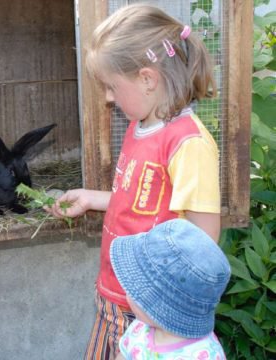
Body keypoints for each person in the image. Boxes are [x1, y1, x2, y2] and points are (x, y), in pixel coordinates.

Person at [45, 4, 221, 359]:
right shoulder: (139, 127)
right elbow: (142, 198)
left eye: (111, 86)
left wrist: (163, 311)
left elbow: (203, 243)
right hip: (115, 292)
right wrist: (93, 199)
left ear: (147, 79)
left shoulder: (187, 144)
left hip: (150, 312)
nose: (108, 98)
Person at [110, 219, 230, 359]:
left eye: (135, 287)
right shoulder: (140, 330)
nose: (127, 291)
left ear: (157, 305)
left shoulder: (203, 355)